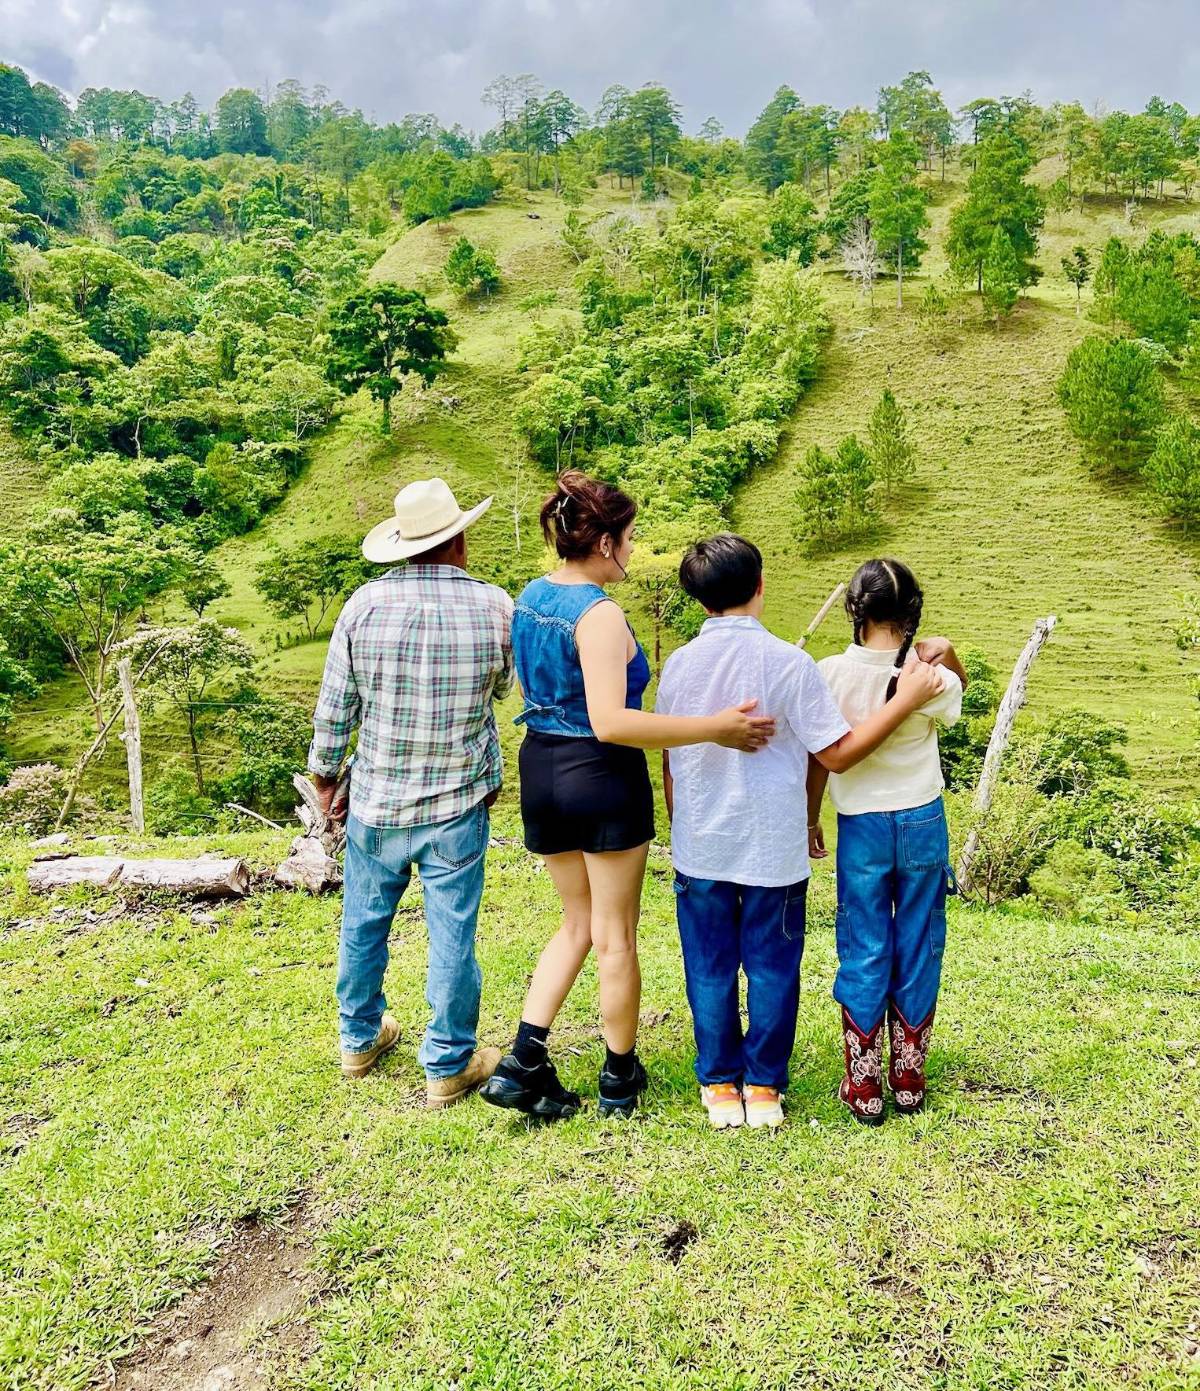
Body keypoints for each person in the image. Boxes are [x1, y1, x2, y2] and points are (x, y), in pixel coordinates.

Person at [479, 474, 776, 1122]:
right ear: (606, 540)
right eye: (632, 538)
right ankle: (619, 1076)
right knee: (614, 934)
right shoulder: (600, 614)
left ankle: (523, 1056)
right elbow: (611, 720)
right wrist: (715, 728)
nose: (635, 551)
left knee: (576, 924)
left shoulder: (529, 597)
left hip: (541, 770)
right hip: (600, 774)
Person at [657, 535, 944, 1130]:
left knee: (707, 966)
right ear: (761, 587)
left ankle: (718, 1084)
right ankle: (762, 1086)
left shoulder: (680, 665)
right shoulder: (791, 665)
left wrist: (679, 824)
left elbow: (668, 758)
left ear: (698, 600)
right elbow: (833, 752)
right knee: (772, 968)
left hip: (701, 844)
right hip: (772, 848)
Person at [309, 477, 512, 1107]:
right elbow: (502, 690)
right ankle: (448, 1062)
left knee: (364, 922)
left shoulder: (362, 606)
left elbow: (336, 707)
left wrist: (325, 779)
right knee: (453, 929)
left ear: (402, 544)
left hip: (376, 798)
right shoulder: (495, 607)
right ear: (459, 539)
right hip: (457, 799)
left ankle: (358, 1039)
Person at [809, 558, 968, 1124]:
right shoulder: (934, 678)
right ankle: (907, 1075)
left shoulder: (828, 674)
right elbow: (958, 692)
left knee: (864, 940)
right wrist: (943, 652)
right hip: (923, 817)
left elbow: (818, 761)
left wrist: (810, 820)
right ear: (911, 613)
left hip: (862, 826)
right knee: (921, 936)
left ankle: (863, 1082)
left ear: (856, 610)